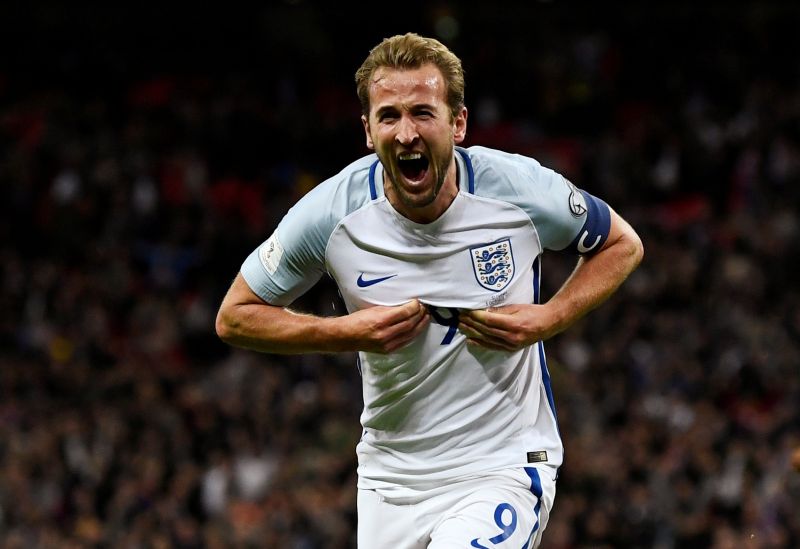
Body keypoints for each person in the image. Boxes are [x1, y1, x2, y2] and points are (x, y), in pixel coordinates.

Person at [216, 32, 643, 548]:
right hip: (391, 480)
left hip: (500, 464)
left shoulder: (519, 190)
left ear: (457, 123)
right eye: (389, 116)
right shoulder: (332, 213)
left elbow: (622, 243)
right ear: (367, 130)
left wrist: (550, 317)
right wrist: (343, 332)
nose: (406, 133)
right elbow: (235, 315)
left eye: (423, 112)